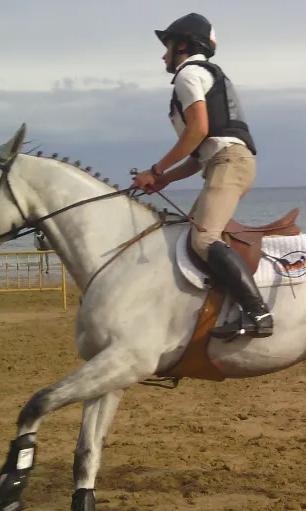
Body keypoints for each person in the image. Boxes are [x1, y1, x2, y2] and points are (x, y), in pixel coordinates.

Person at [131, 13, 273, 341]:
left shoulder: (189, 75)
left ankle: (258, 313)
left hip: (229, 163)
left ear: (183, 44)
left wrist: (155, 170)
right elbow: (199, 155)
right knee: (185, 236)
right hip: (222, 161)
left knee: (204, 239)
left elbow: (198, 131)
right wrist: (165, 179)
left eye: (167, 46)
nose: (163, 55)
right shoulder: (200, 75)